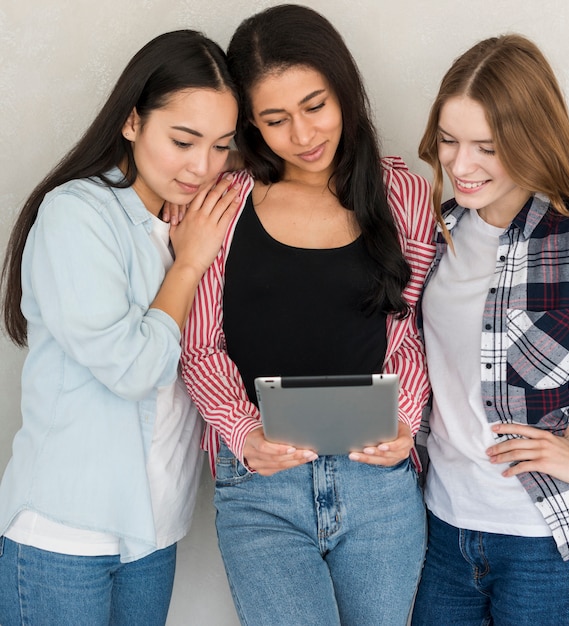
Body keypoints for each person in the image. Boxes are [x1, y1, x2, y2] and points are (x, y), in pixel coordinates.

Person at [180, 5, 435, 625]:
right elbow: (199, 344)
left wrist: (403, 423)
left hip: (378, 485)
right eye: (275, 119)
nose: (302, 135)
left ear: (344, 89)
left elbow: (408, 335)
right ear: (250, 124)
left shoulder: (402, 193)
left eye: (315, 105)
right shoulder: (224, 203)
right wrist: (243, 436)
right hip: (260, 488)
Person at [0, 30, 240, 625]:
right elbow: (132, 368)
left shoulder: (193, 220)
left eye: (221, 146)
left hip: (152, 533)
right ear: (132, 122)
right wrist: (187, 265)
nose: (202, 166)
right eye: (183, 141)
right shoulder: (77, 213)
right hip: (65, 535)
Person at [411, 34, 569, 626]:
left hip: (544, 544)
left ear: (531, 140)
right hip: (444, 533)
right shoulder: (436, 235)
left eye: (486, 146)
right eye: (449, 141)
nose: (459, 164)